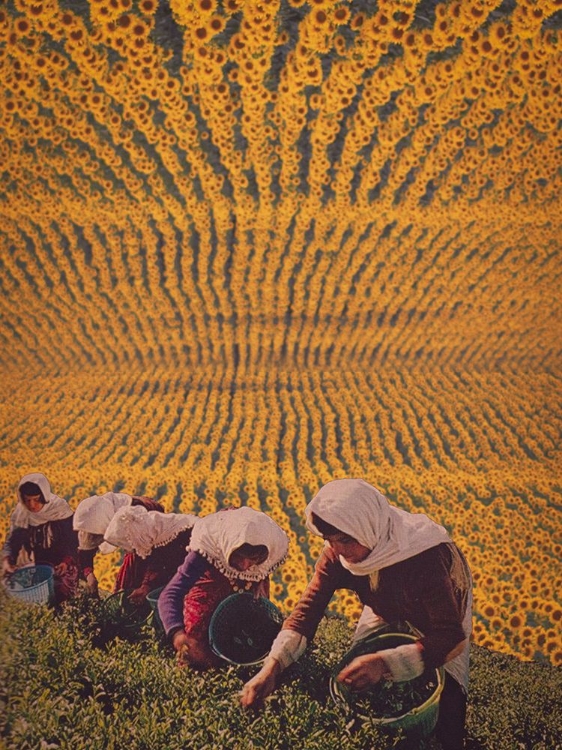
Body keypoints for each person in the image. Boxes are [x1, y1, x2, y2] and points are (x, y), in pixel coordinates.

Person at [240, 479, 472, 750]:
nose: (337, 550)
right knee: (361, 678)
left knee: (447, 704)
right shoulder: (338, 558)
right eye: (329, 540)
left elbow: (451, 637)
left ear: (367, 529)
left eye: (345, 539)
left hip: (437, 613)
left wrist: (386, 662)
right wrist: (272, 667)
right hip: (383, 604)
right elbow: (306, 611)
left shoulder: (425, 558)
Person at [158, 506, 289, 671]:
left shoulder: (265, 551)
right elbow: (170, 594)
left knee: (252, 644)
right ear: (229, 547)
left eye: (253, 559)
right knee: (198, 659)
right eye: (239, 557)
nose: (245, 565)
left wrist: (259, 580)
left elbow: (258, 568)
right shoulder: (208, 549)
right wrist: (177, 634)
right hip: (207, 600)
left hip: (237, 607)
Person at [2, 472, 79, 604]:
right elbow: (14, 541)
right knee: (44, 601)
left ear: (44, 496)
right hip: (42, 564)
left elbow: (73, 541)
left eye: (37, 500)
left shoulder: (59, 510)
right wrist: (7, 560)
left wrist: (66, 562)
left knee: (65, 600)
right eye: (27, 500)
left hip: (66, 562)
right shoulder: (23, 515)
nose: (32, 505)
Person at [73, 491, 164, 595]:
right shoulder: (94, 515)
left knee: (141, 590)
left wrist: (146, 586)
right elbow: (85, 552)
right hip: (137, 549)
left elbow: (157, 557)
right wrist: (89, 575)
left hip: (154, 546)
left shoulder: (138, 515)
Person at [102, 505, 198, 603]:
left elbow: (163, 563)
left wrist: (147, 586)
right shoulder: (150, 530)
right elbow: (155, 561)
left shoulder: (171, 533)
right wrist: (146, 586)